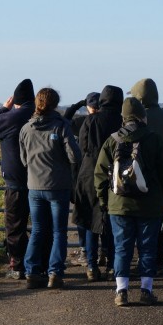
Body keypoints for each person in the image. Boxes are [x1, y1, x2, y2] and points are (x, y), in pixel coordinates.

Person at [94, 97, 163, 306]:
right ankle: (146, 290)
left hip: (118, 205)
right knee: (147, 248)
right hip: (150, 205)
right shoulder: (154, 139)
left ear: (123, 118)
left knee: (122, 247)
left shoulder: (112, 141)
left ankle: (121, 291)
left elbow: (100, 175)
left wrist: (106, 201)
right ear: (143, 117)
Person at [19, 87, 82, 289]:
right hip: (58, 185)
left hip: (34, 186)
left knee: (37, 229)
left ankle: (31, 271)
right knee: (58, 231)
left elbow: (23, 159)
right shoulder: (61, 126)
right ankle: (54, 272)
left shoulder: (26, 128)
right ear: (55, 104)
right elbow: (74, 156)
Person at [0, 78, 35, 280]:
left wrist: (3, 109)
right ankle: (40, 264)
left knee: (15, 225)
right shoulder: (39, 114)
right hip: (41, 179)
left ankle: (18, 265)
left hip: (16, 180)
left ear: (16, 101)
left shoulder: (13, 116)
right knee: (42, 225)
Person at [73, 85, 124, 282]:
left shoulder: (90, 120)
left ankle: (92, 267)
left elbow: (83, 146)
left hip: (89, 173)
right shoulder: (121, 121)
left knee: (89, 220)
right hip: (115, 174)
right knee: (113, 222)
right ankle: (112, 266)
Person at [128, 78, 163, 273]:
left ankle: (145, 262)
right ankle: (158, 258)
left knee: (140, 222)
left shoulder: (140, 117)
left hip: (140, 174)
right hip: (161, 174)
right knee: (157, 218)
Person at [63, 91, 100, 268]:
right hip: (100, 173)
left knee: (82, 214)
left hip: (80, 173)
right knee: (101, 212)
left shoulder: (80, 122)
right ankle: (103, 252)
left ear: (88, 107)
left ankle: (85, 250)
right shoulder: (106, 122)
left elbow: (65, 120)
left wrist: (76, 105)